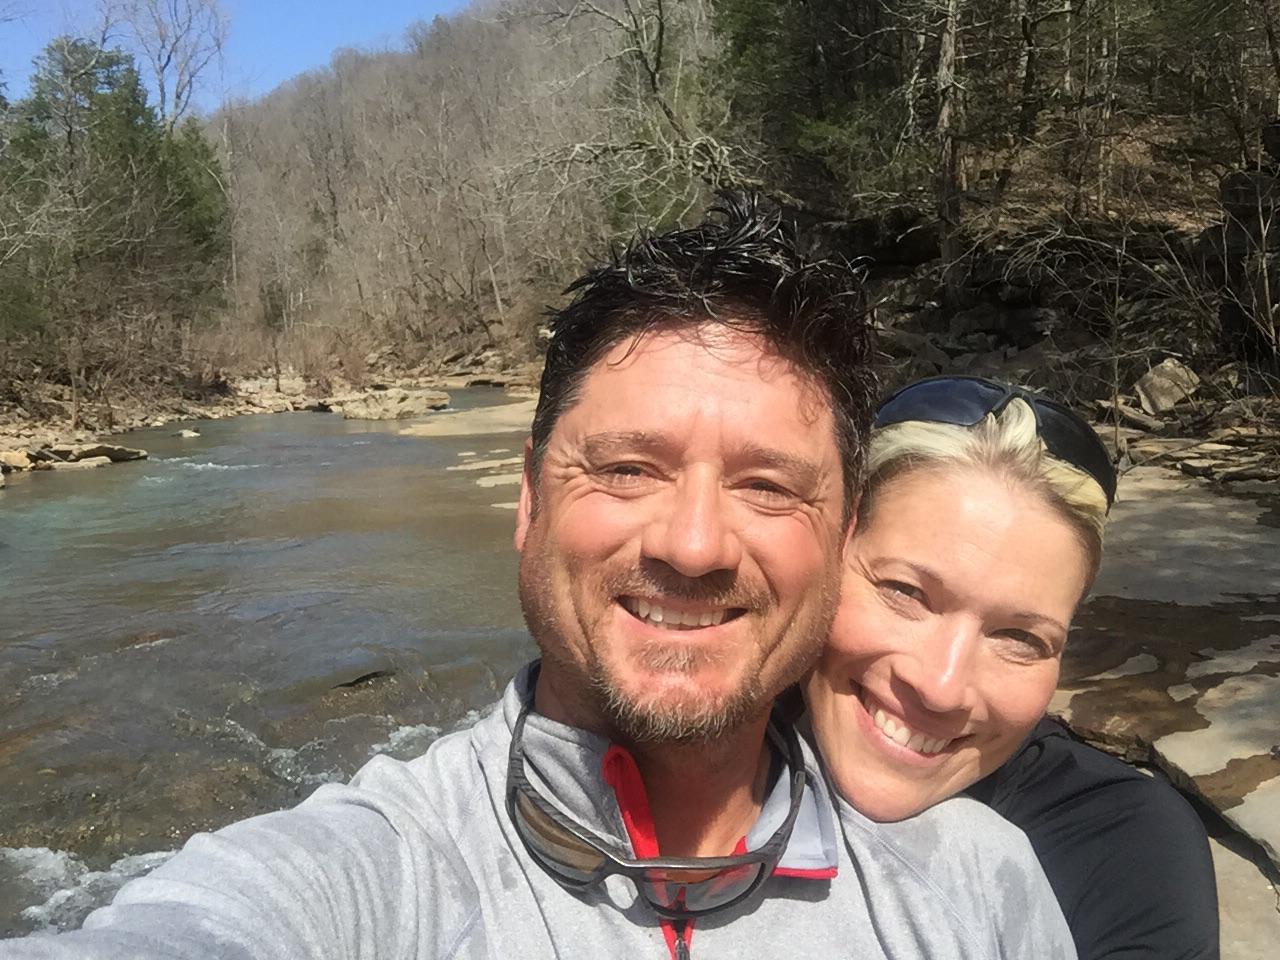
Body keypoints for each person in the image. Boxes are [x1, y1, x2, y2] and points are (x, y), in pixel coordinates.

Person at [0, 200, 1078, 959]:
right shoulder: (379, 874)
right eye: (625, 468)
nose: (692, 545)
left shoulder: (977, 888)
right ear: (528, 501)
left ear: (840, 534)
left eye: (766, 486)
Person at [805, 376, 1219, 960]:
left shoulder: (1124, 846)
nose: (941, 687)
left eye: (1019, 637)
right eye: (906, 592)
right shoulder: (687, 733)